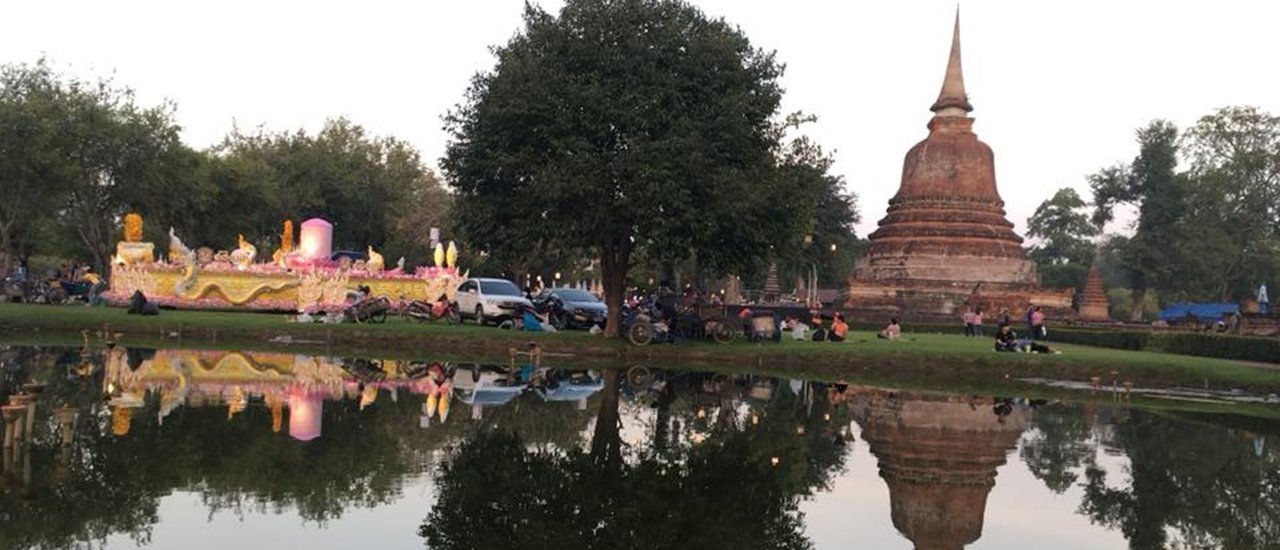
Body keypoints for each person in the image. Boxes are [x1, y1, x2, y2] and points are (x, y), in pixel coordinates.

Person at [994, 323, 1058, 353]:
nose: (1008, 328)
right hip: (1013, 345)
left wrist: (1013, 341)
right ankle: (1029, 350)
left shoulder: (1010, 333)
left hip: (1018, 343)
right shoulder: (999, 334)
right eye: (1007, 327)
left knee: (1035, 345)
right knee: (1033, 347)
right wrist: (1006, 343)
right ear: (1003, 327)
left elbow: (1014, 340)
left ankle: (1052, 350)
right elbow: (999, 341)